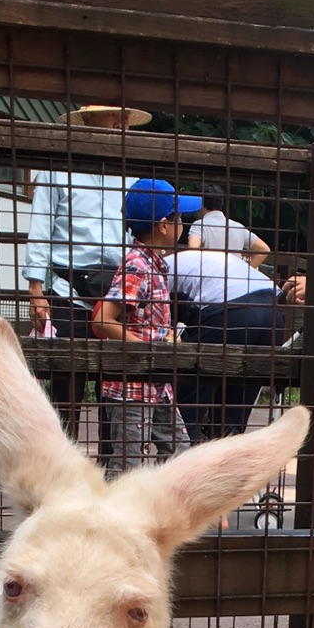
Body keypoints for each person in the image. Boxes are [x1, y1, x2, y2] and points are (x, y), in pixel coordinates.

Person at [21, 106, 147, 435]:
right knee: (67, 390)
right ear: (88, 120)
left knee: (115, 390)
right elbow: (40, 228)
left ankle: (112, 472)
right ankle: (64, 471)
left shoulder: (130, 173)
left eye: (125, 119)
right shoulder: (58, 168)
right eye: (112, 116)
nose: (121, 124)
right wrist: (36, 291)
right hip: (69, 289)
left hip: (118, 292)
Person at [92, 179, 201, 476]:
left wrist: (164, 336)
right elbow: (103, 319)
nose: (184, 225)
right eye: (179, 219)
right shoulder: (137, 265)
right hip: (131, 389)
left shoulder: (154, 265)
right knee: (128, 465)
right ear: (164, 225)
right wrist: (147, 348)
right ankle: (112, 521)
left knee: (179, 452)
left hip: (156, 384)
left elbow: (143, 319)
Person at [169, 241, 305, 443]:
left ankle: (185, 449)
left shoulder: (153, 272)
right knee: (233, 413)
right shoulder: (188, 261)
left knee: (187, 401)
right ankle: (225, 458)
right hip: (271, 311)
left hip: (229, 310)